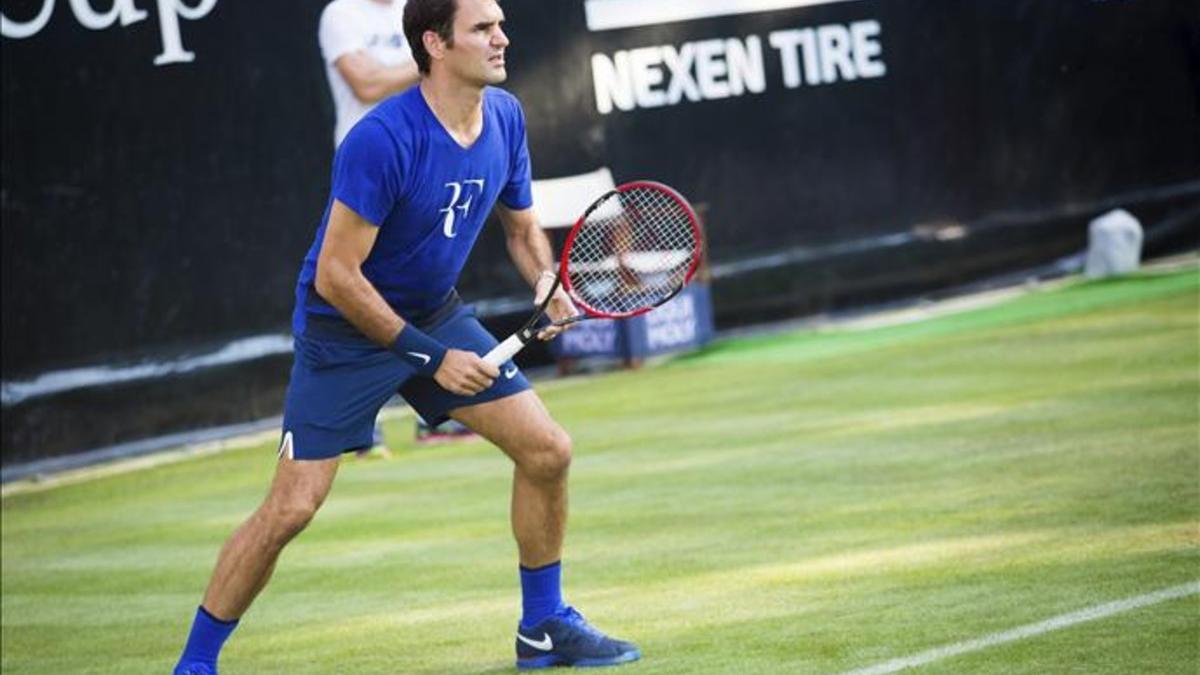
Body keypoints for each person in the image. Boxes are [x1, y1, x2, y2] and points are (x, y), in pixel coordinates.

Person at [172, 0, 641, 672]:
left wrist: (545, 282)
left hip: (435, 311)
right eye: (483, 28)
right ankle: (195, 662)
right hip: (343, 335)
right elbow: (336, 275)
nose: (503, 37)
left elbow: (520, 230)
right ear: (436, 43)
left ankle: (543, 625)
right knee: (293, 507)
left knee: (548, 451)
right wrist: (432, 359)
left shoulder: (505, 117)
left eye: (500, 23)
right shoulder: (381, 139)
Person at [320, 0, 422, 458]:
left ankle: (434, 413)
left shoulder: (415, 9)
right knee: (356, 289)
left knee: (426, 286)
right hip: (365, 171)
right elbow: (366, 84)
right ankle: (360, 424)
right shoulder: (342, 14)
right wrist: (430, 56)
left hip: (420, 160)